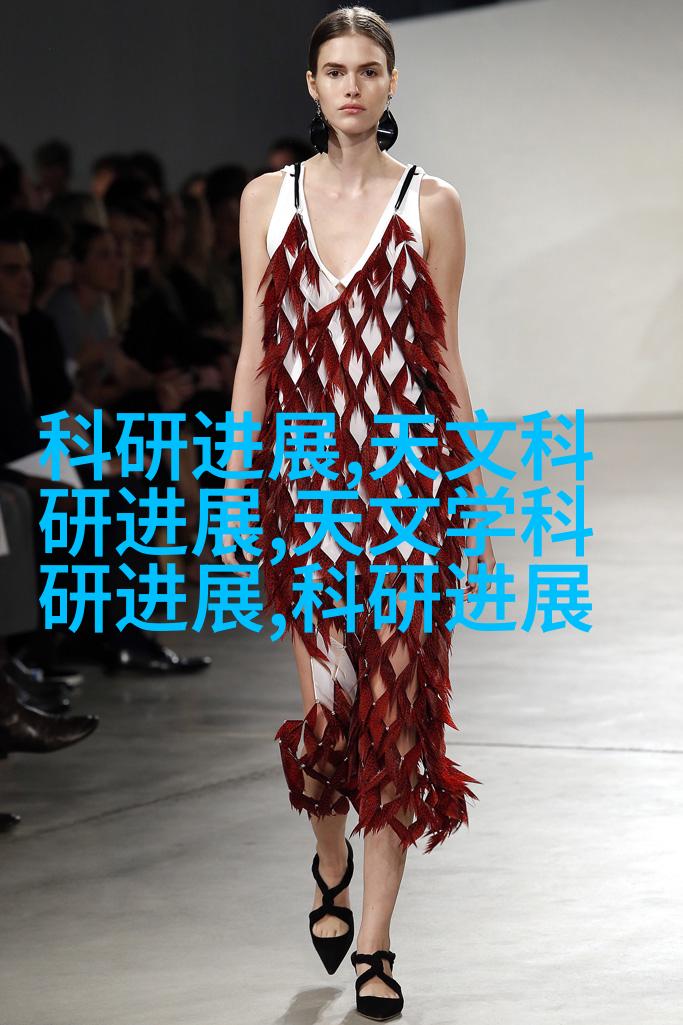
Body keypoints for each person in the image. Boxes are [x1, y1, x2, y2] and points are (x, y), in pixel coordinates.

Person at [222, 6, 496, 1019]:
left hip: (409, 492)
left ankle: (375, 940)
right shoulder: (267, 199)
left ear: (389, 83)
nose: (350, 85)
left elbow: (442, 354)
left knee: (398, 718)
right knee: (329, 719)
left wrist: (473, 494)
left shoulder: (433, 203)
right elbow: (255, 351)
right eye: (333, 70)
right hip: (307, 494)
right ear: (311, 85)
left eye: (367, 69)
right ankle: (328, 861)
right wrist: (231, 488)